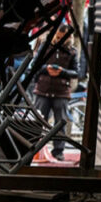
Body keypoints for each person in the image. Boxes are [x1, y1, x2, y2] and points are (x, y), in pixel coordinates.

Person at [33, 24, 79, 160]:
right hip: (43, 90)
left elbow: (76, 72)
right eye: (58, 37)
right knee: (38, 122)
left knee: (60, 122)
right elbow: (34, 65)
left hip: (61, 92)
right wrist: (46, 69)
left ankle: (58, 151)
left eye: (62, 38)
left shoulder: (72, 51)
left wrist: (62, 72)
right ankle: (32, 148)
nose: (60, 40)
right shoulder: (45, 46)